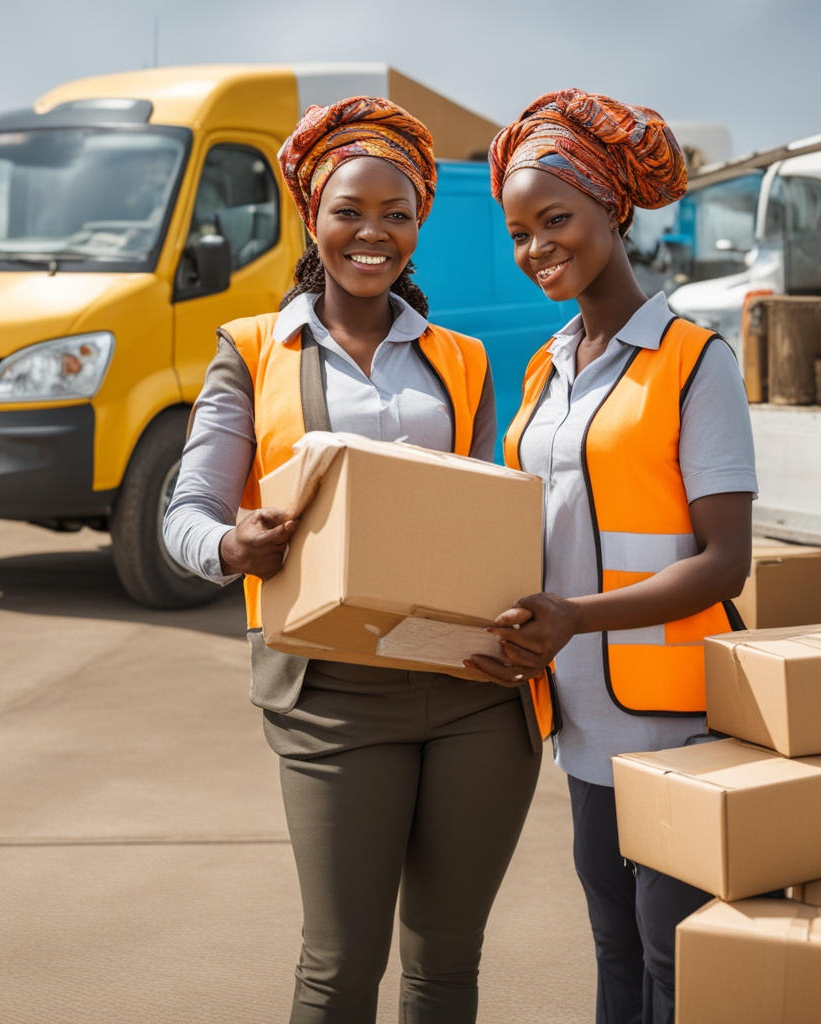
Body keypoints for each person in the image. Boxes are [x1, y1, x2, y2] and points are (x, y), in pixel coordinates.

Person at [163, 96, 542, 1024]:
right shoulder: (252, 351)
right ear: (313, 220)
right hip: (331, 699)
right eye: (350, 211)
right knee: (339, 967)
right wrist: (230, 546)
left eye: (397, 214)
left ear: (418, 227)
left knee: (448, 965)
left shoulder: (462, 359)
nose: (373, 234)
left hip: (472, 692)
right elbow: (185, 516)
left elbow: (485, 515)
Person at [467, 89, 757, 1024]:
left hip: (675, 719)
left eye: (556, 219)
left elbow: (725, 563)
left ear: (611, 210)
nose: (536, 247)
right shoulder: (547, 366)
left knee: (672, 954)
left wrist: (578, 617)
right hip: (579, 714)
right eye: (519, 232)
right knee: (613, 946)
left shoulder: (693, 360)